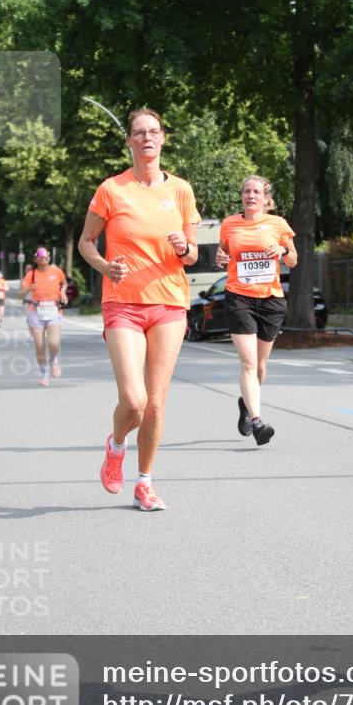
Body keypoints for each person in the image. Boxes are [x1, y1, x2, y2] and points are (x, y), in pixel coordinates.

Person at [78, 108, 200, 511]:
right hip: (123, 304)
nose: (147, 137)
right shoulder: (111, 190)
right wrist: (104, 266)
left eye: (154, 131)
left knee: (156, 403)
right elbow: (86, 242)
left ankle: (144, 483)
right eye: (139, 132)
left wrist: (184, 247)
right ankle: (116, 447)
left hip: (169, 303)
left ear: (162, 138)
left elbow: (193, 255)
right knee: (134, 401)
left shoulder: (180, 190)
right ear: (129, 141)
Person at [218, 175, 298, 445]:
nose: (251, 195)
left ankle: (245, 403)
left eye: (256, 192)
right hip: (239, 297)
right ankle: (257, 421)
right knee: (249, 363)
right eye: (247, 191)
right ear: (242, 196)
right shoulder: (229, 224)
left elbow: (293, 259)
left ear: (266, 198)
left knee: (261, 366)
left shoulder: (278, 224)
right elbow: (224, 253)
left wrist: (282, 250)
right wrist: (220, 257)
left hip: (270, 300)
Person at [20, 247, 68, 386]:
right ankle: (44, 374)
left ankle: (53, 360)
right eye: (40, 257)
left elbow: (64, 283)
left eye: (45, 256)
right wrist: (28, 289)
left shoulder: (56, 271)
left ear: (49, 258)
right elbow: (20, 295)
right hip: (36, 312)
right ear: (35, 259)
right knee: (40, 346)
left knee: (53, 343)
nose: (43, 259)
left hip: (53, 310)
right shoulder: (31, 275)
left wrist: (63, 292)